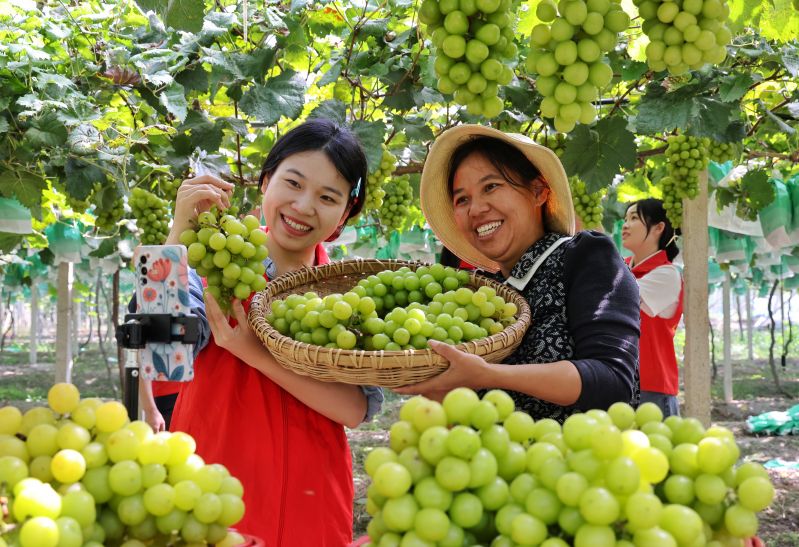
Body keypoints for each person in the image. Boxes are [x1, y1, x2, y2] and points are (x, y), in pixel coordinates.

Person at [162, 119, 383, 545]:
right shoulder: (209, 267)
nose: (303, 206)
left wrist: (252, 351)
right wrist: (177, 236)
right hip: (211, 505)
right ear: (266, 181)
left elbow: (356, 410)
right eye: (293, 183)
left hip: (313, 510)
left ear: (345, 214)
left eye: (327, 197)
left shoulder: (351, 294)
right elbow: (161, 355)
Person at [396, 124, 640, 422]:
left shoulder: (584, 256)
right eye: (462, 199)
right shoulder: (483, 295)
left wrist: (488, 375)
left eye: (491, 186)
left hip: (574, 463)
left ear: (538, 191)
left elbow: (613, 381)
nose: (475, 209)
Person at [621, 198, 683, 417]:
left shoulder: (667, 274)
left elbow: (622, 294)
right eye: (625, 219)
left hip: (651, 389)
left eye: (634, 218)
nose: (625, 225)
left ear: (659, 228)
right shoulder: (623, 267)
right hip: (619, 382)